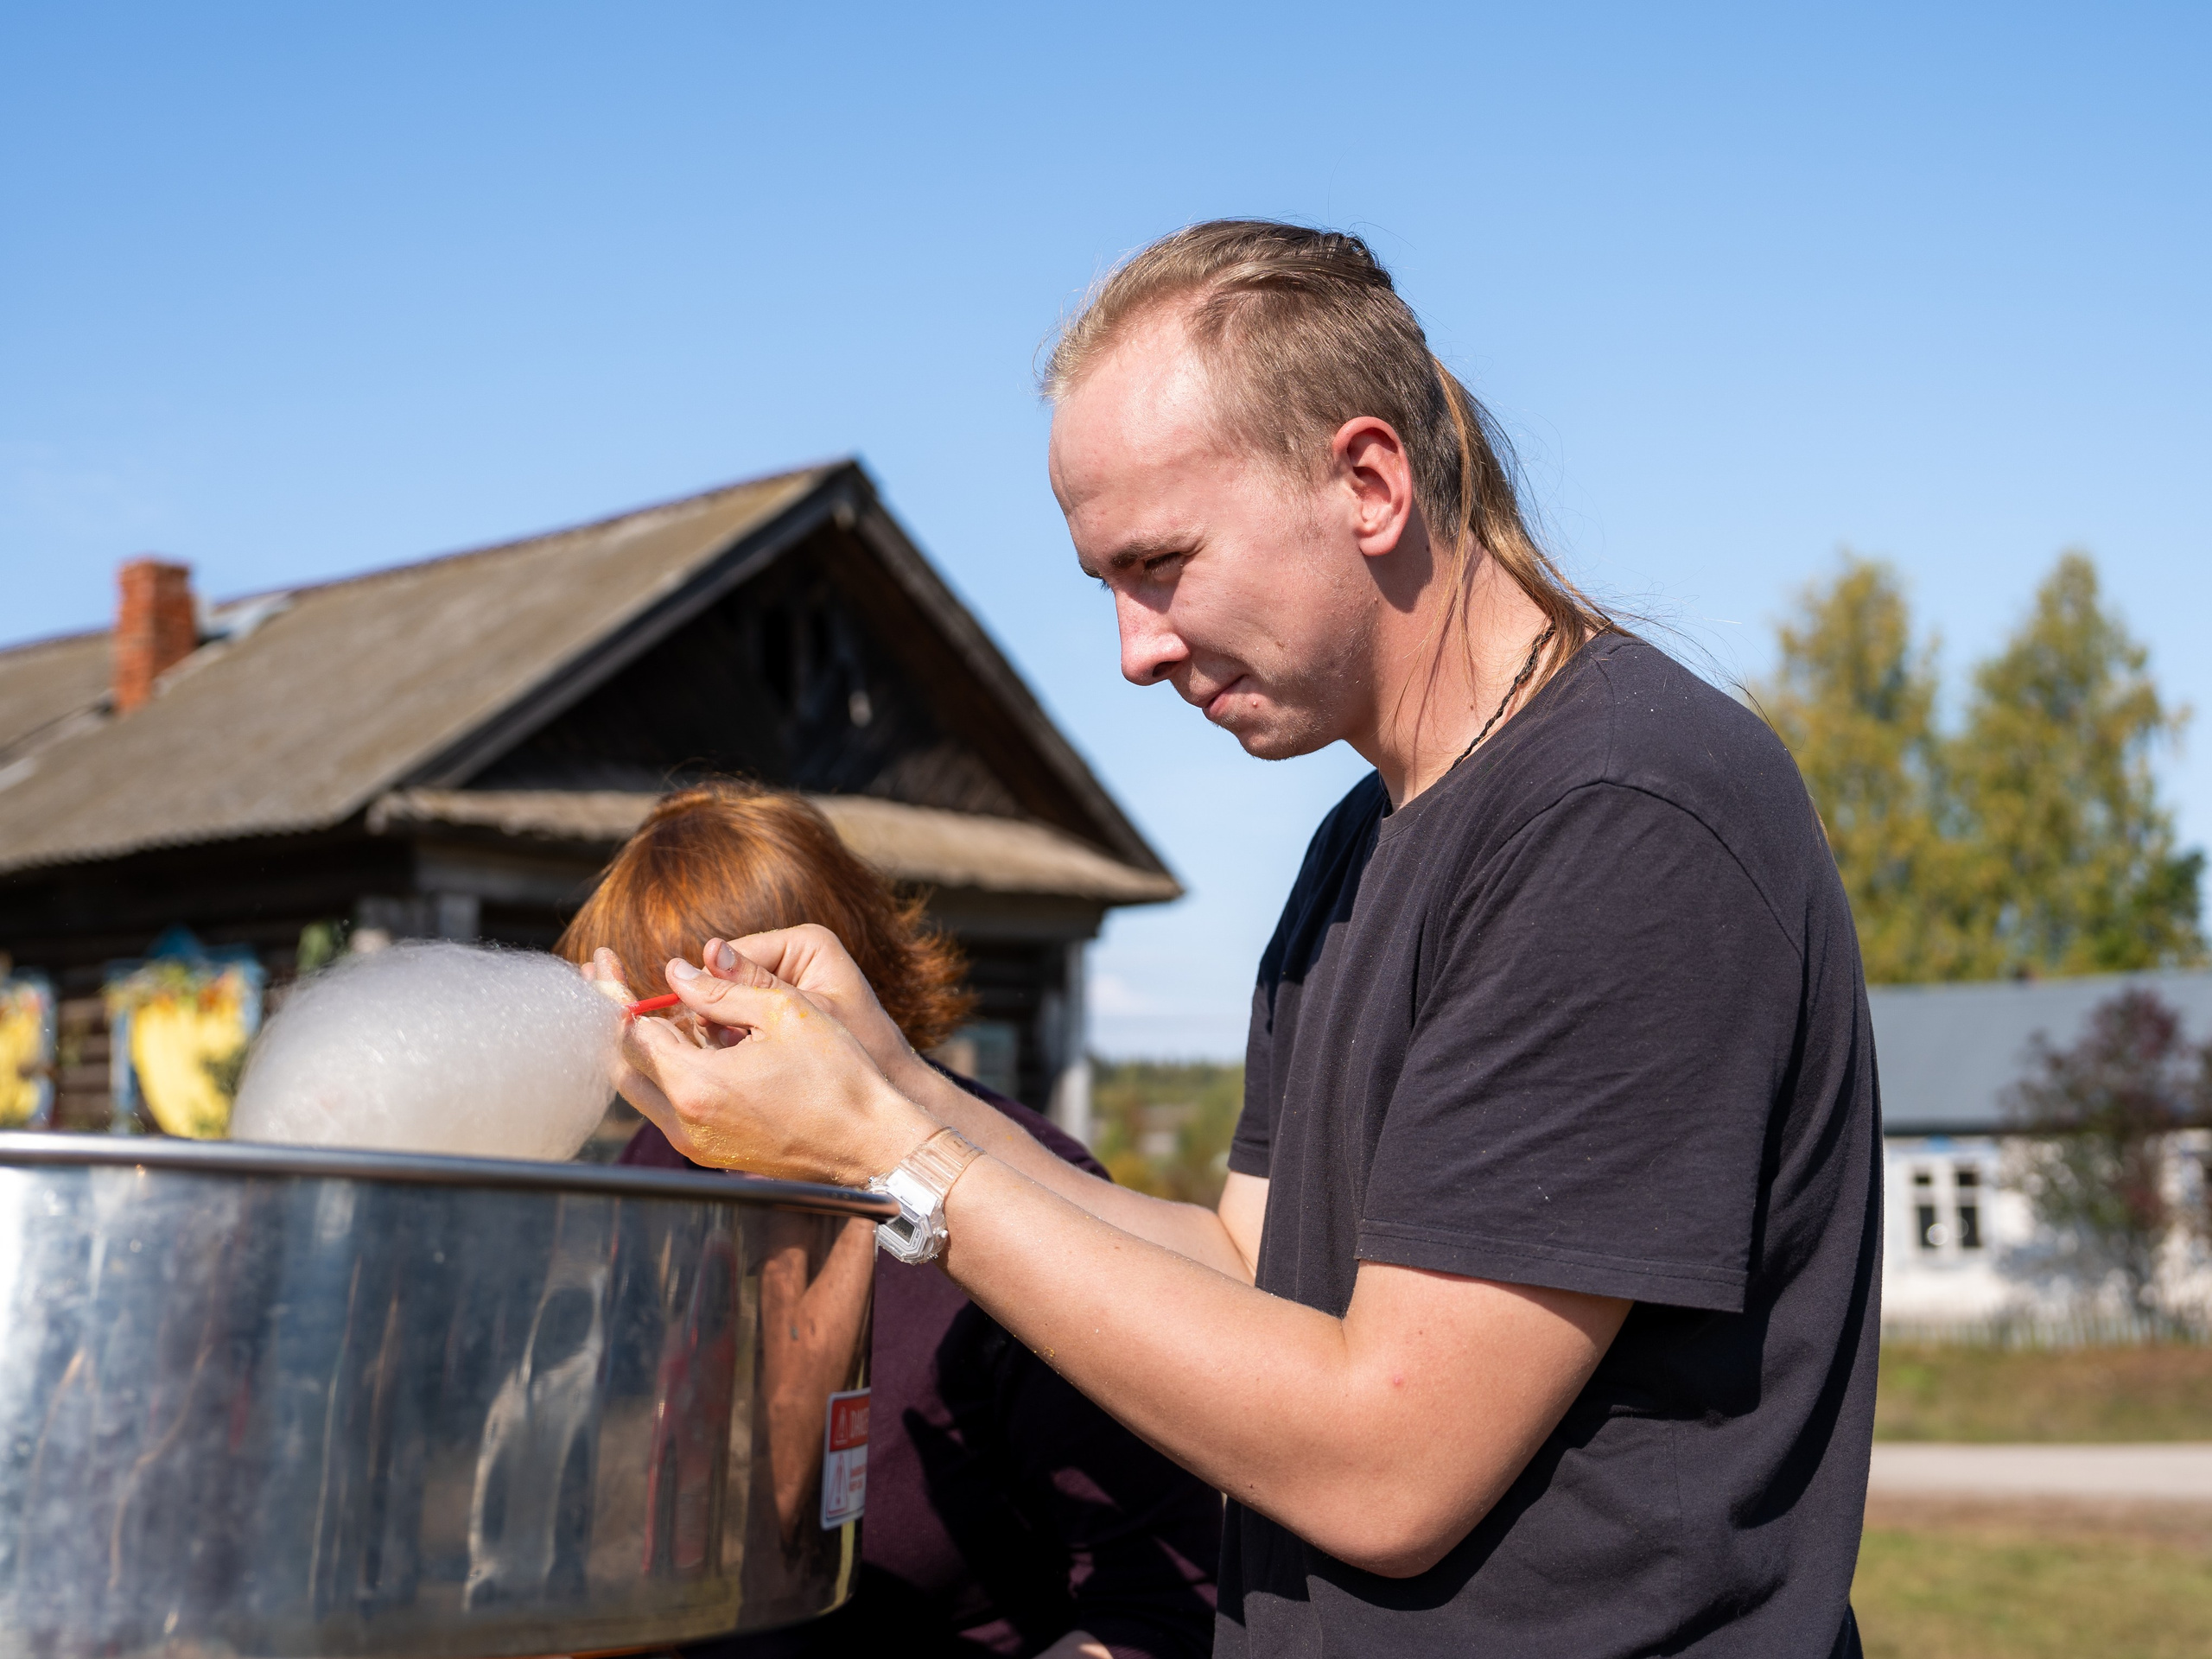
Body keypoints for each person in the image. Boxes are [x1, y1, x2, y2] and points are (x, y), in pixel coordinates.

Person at [592, 223, 1883, 1656]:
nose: (1135, 650)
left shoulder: (1622, 818)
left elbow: (1388, 1465)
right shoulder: (1363, 840)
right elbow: (1243, 1268)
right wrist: (891, 1080)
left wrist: (886, 1160)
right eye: (1111, 587)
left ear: (1370, 482)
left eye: (1163, 564)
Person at [556, 782, 1220, 1659]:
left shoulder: (1022, 1206)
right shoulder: (662, 1169)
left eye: (720, 1026)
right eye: (650, 1040)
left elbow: (1163, 1606)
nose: (691, 1086)